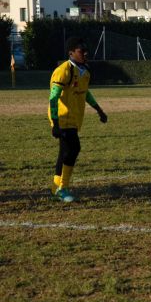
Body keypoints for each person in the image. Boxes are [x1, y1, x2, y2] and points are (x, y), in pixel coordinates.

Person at [48, 37, 107, 202]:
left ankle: (55, 187)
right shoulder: (63, 70)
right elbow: (53, 99)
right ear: (71, 53)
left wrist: (99, 110)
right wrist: (55, 122)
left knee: (64, 152)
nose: (85, 54)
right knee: (73, 148)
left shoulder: (85, 71)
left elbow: (85, 93)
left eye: (86, 51)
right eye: (81, 51)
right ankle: (63, 188)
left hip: (74, 119)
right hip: (62, 118)